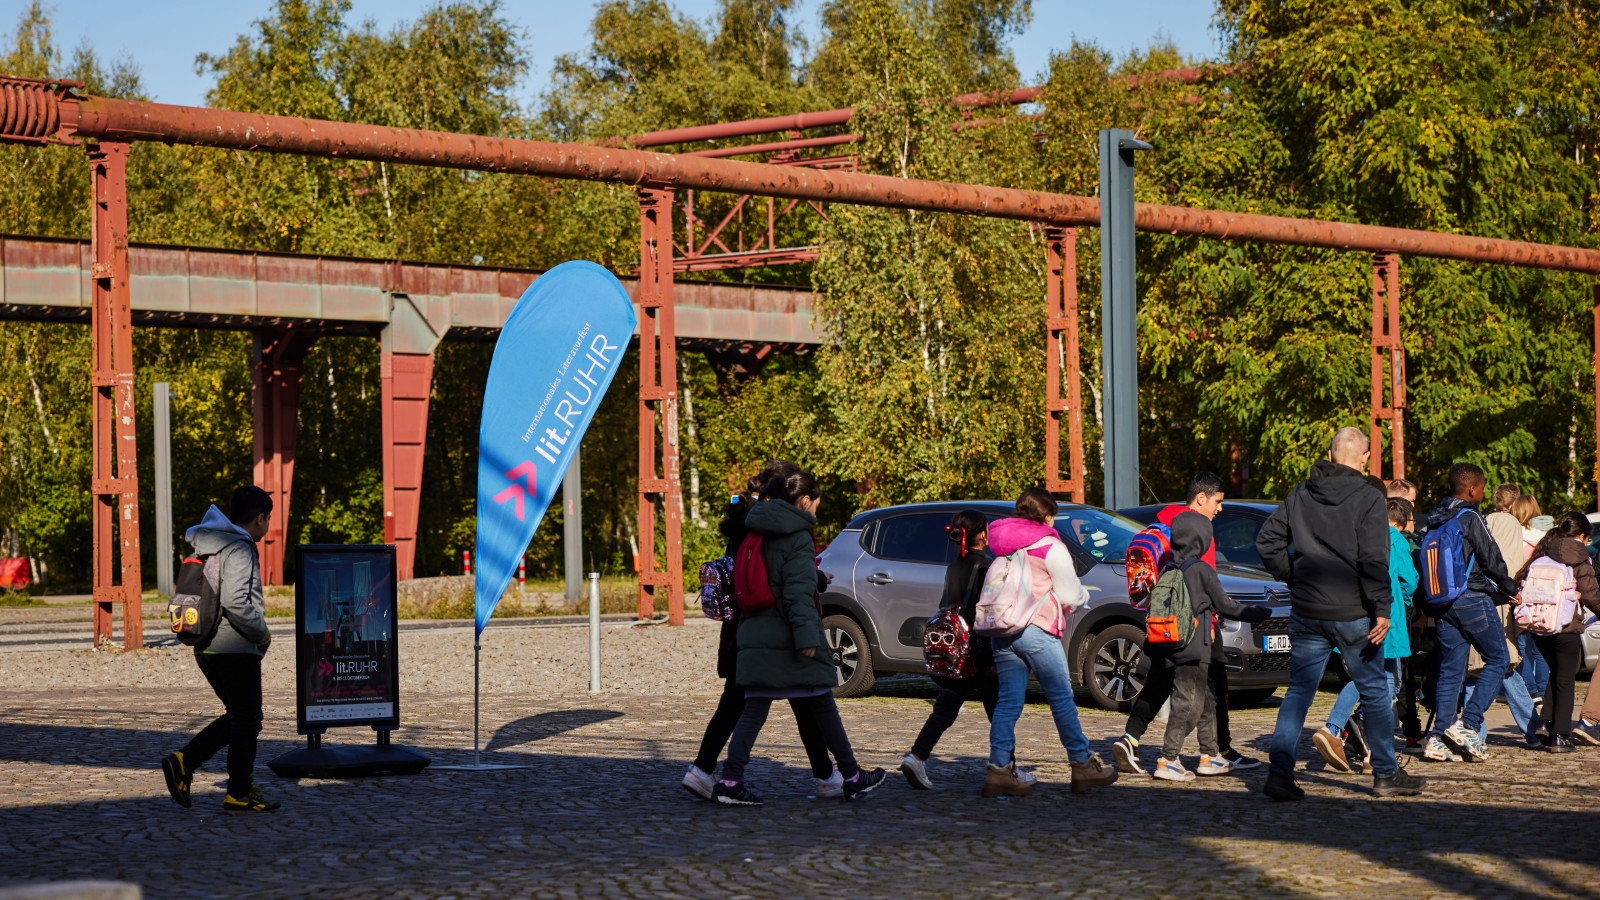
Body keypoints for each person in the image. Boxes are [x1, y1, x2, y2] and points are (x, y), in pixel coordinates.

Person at [1255, 427, 1425, 800]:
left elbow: (1266, 542)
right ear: (1364, 460)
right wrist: (1383, 608)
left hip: (1307, 609)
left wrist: (1292, 575)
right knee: (1377, 692)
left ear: (1330, 456)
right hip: (1354, 613)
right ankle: (1385, 773)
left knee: (1299, 691)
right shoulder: (1368, 497)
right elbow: (1374, 558)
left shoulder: (1300, 493)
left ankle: (1279, 776)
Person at [713, 466, 886, 806]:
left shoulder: (753, 530)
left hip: (757, 634)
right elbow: (797, 593)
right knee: (823, 702)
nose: (816, 513)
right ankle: (850, 776)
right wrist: (809, 637)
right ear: (804, 501)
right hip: (789, 637)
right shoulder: (796, 536)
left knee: (754, 709)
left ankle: (731, 780)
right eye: (817, 506)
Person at [682, 463, 840, 802]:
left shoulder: (750, 520)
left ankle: (826, 775)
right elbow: (784, 575)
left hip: (745, 627)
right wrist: (819, 579)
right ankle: (714, 772)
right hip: (765, 630)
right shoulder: (771, 527)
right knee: (771, 702)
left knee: (762, 702)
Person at [1113, 471, 1261, 774]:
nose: (1220, 508)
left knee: (1159, 683)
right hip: (1196, 625)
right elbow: (1205, 583)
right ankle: (1214, 752)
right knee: (1212, 688)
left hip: (1161, 622)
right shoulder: (1198, 530)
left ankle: (1130, 740)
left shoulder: (1167, 522)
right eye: (1218, 501)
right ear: (1201, 498)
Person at [982, 487, 1119, 798]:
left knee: (1008, 702)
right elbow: (1071, 595)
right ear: (1045, 516)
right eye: (1053, 516)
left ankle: (999, 771)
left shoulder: (1005, 547)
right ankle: (1083, 765)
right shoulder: (1050, 547)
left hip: (1004, 631)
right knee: (1061, 698)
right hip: (1037, 629)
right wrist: (1084, 595)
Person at [160, 486, 279, 812]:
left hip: (206, 647)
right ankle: (234, 790)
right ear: (259, 518)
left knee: (242, 717)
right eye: (267, 519)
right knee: (247, 718)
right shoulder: (240, 548)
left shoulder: (208, 543)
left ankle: (190, 764)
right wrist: (262, 634)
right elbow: (236, 602)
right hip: (235, 648)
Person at [1144, 511, 1271, 782]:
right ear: (1201, 539)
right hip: (1194, 647)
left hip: (1171, 643)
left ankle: (1209, 755)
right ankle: (1168, 759)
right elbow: (1226, 606)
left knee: (1206, 702)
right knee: (1187, 704)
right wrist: (1258, 613)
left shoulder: (1169, 566)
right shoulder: (1201, 569)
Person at [900, 510, 1010, 790]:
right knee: (998, 712)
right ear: (982, 534)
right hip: (981, 650)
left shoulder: (953, 567)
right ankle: (1007, 769)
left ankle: (917, 756)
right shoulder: (989, 566)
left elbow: (946, 605)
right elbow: (992, 612)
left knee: (946, 708)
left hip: (956, 651)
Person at [1420, 463, 1520, 763]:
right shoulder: (1470, 515)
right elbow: (1491, 558)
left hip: (1443, 603)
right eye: (1481, 488)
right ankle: (1469, 724)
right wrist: (1511, 589)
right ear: (1472, 489)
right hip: (1472, 598)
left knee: (1452, 669)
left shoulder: (1436, 518)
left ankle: (1437, 738)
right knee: (1499, 658)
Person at [1312, 497, 1418, 773]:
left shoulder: (1357, 538)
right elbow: (1409, 580)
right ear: (1402, 522)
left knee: (1382, 685)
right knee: (1379, 682)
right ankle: (1335, 728)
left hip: (1354, 617)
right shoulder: (1396, 541)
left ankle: (1370, 751)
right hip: (1387, 621)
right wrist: (1405, 602)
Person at [1512, 512, 1600, 753]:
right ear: (1581, 536)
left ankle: (1544, 724)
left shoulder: (1544, 550)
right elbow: (1591, 594)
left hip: (1538, 627)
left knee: (1556, 673)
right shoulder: (1579, 556)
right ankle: (1561, 735)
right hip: (1566, 626)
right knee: (1565, 680)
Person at [1512, 496, 1552, 700]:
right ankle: (1543, 690)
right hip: (1545, 596)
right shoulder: (1549, 535)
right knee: (1540, 648)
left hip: (1521, 595)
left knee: (1520, 646)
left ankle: (1531, 690)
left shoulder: (1517, 535)